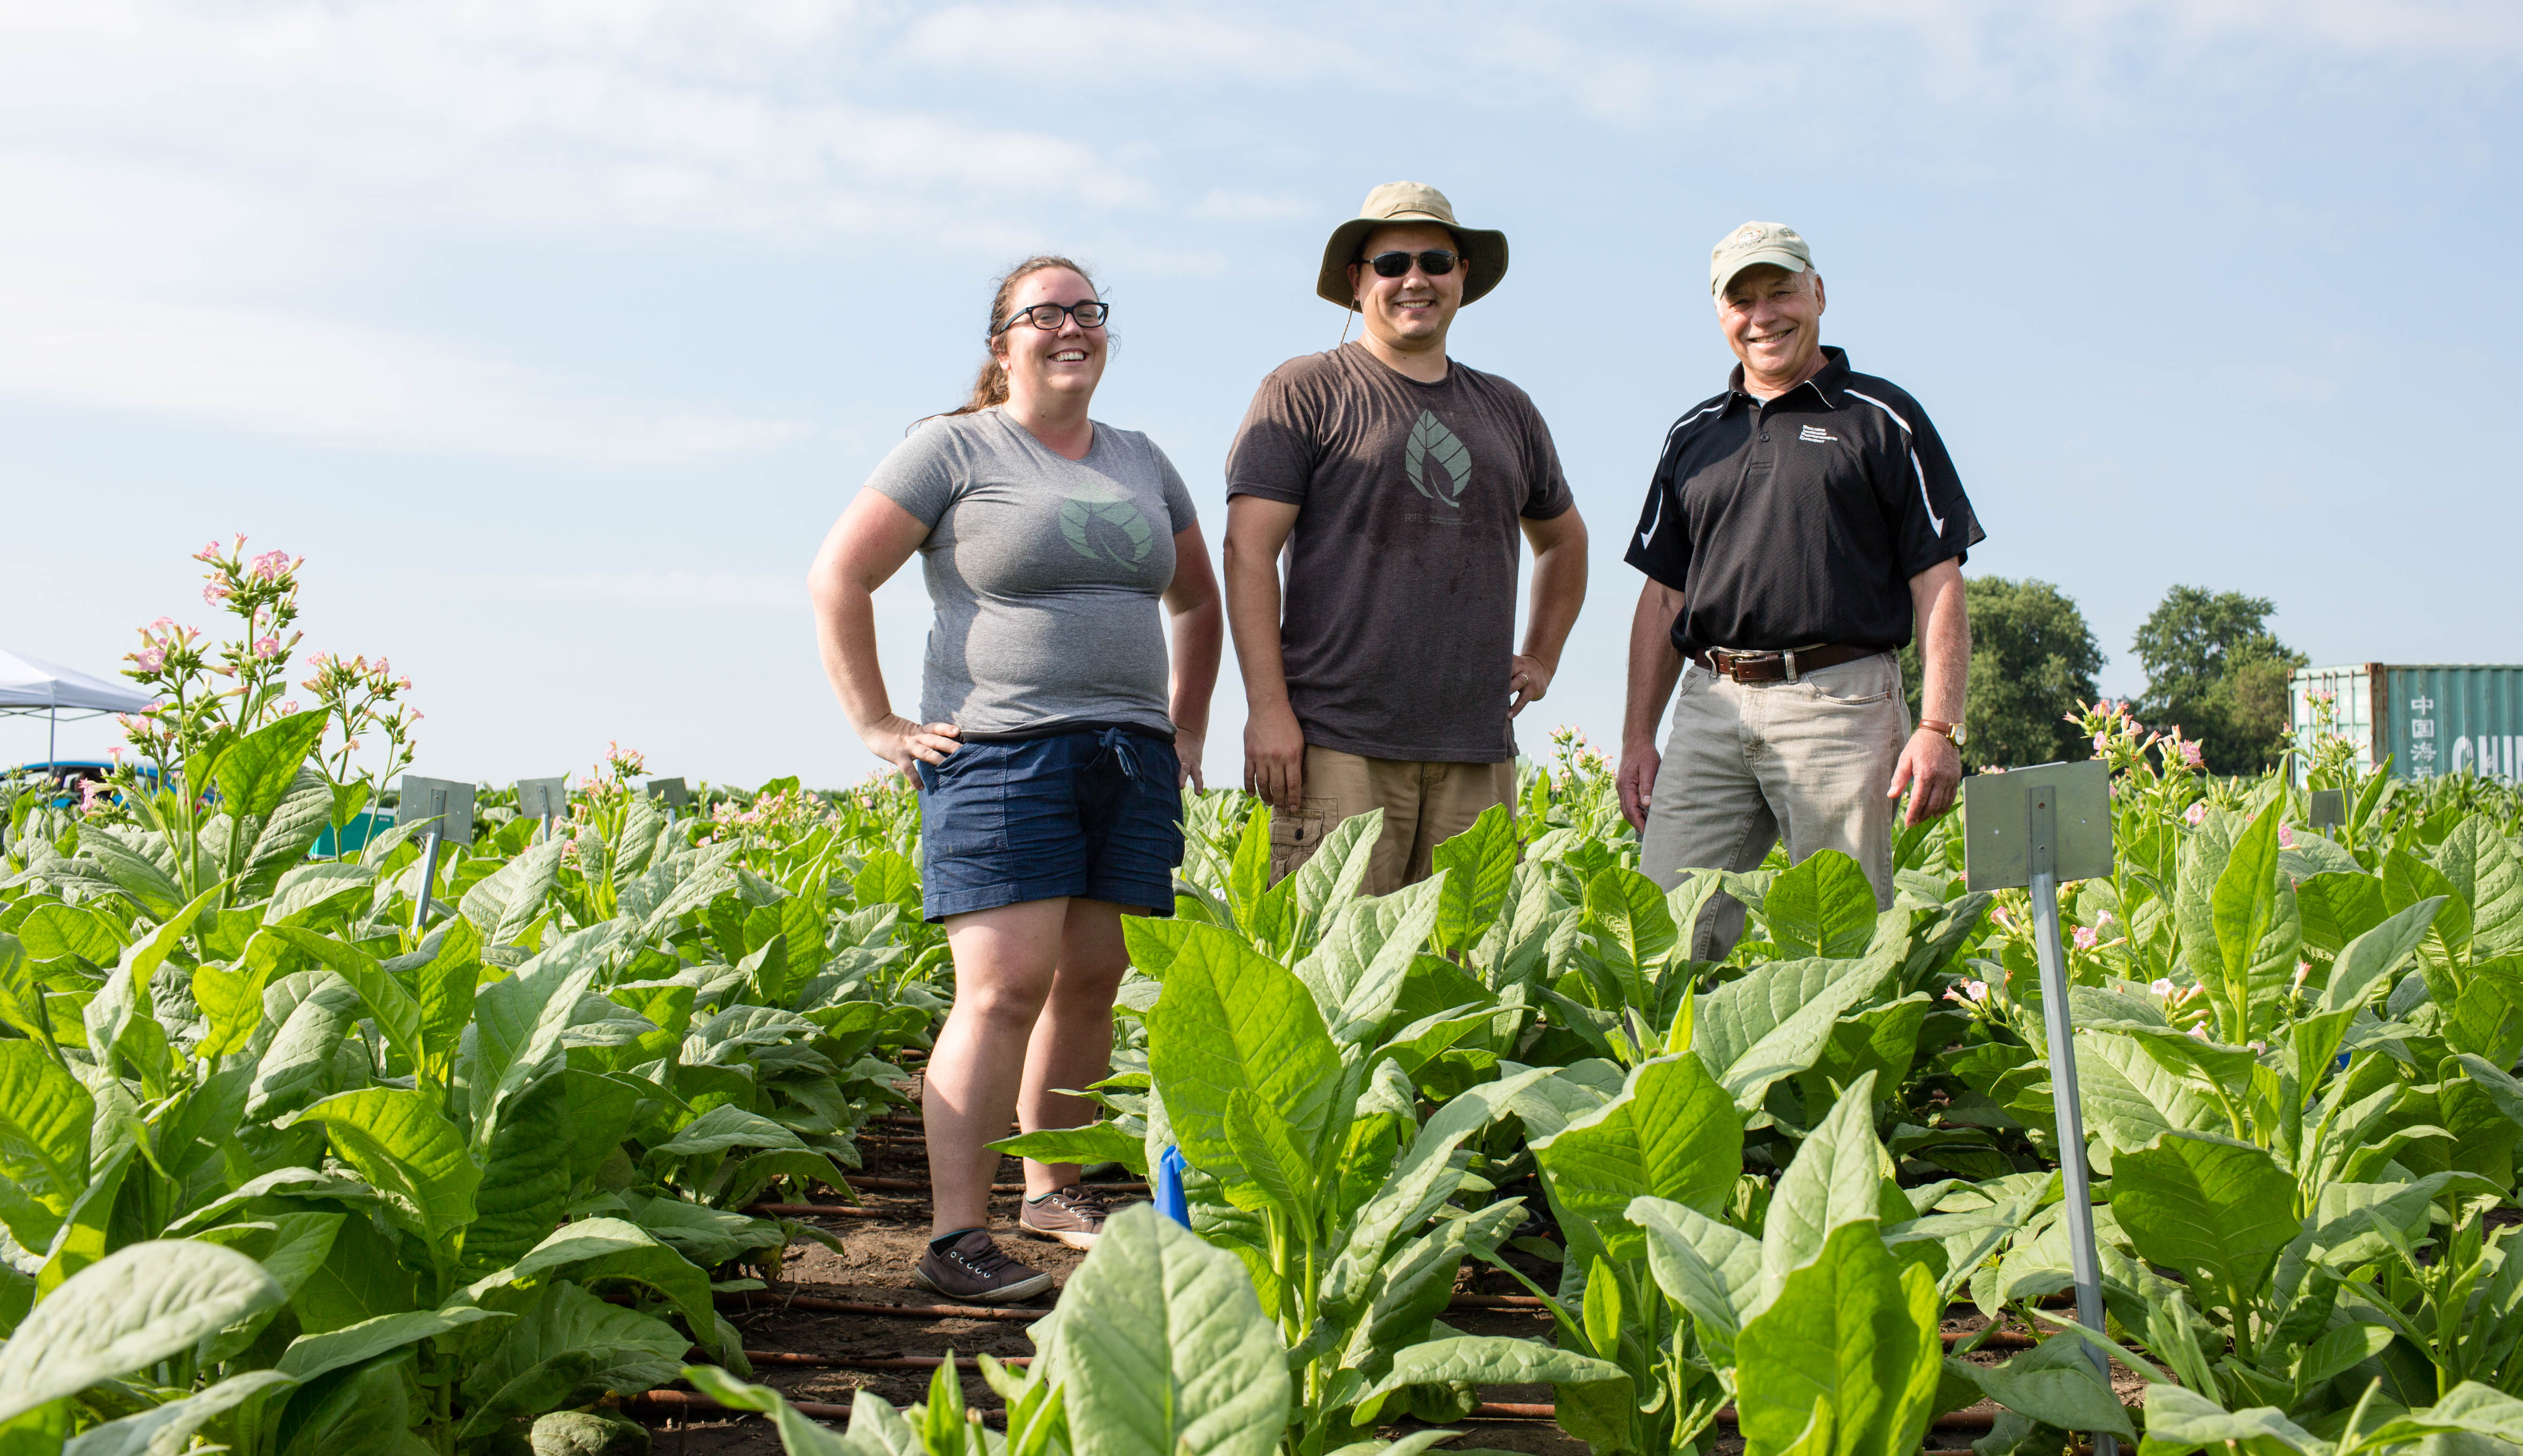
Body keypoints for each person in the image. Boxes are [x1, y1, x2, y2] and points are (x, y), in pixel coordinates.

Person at [809, 255, 1222, 1303]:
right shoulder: (952, 448)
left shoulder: (1142, 459)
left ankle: (1054, 1190)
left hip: (1130, 756)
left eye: (1089, 312)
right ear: (1004, 344)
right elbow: (840, 577)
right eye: (1047, 313)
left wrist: (1186, 728)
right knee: (1000, 992)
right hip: (1001, 750)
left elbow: (1198, 604)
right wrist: (877, 724)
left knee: (1090, 986)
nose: (1072, 327)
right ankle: (957, 1238)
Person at [1618, 222, 1980, 958]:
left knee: (1836, 942)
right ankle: (1668, 1071)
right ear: (1721, 316)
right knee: (1665, 940)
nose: (1763, 316)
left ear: (1817, 293)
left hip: (1838, 703)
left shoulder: (1883, 420)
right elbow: (1662, 599)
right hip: (1710, 708)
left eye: (1780, 291)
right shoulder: (1692, 435)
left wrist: (1939, 728)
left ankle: (1849, 1076)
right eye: (1741, 301)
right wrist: (1635, 737)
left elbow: (1938, 582)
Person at [1223, 182, 1588, 894]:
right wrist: (1268, 709)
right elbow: (1247, 552)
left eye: (1435, 261)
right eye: (1391, 263)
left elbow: (1565, 542)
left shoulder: (1509, 409)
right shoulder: (1304, 389)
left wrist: (1542, 656)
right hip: (1335, 744)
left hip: (1476, 751)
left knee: (1461, 976)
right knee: (1332, 973)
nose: (1414, 279)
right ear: (1358, 283)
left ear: (1463, 278)